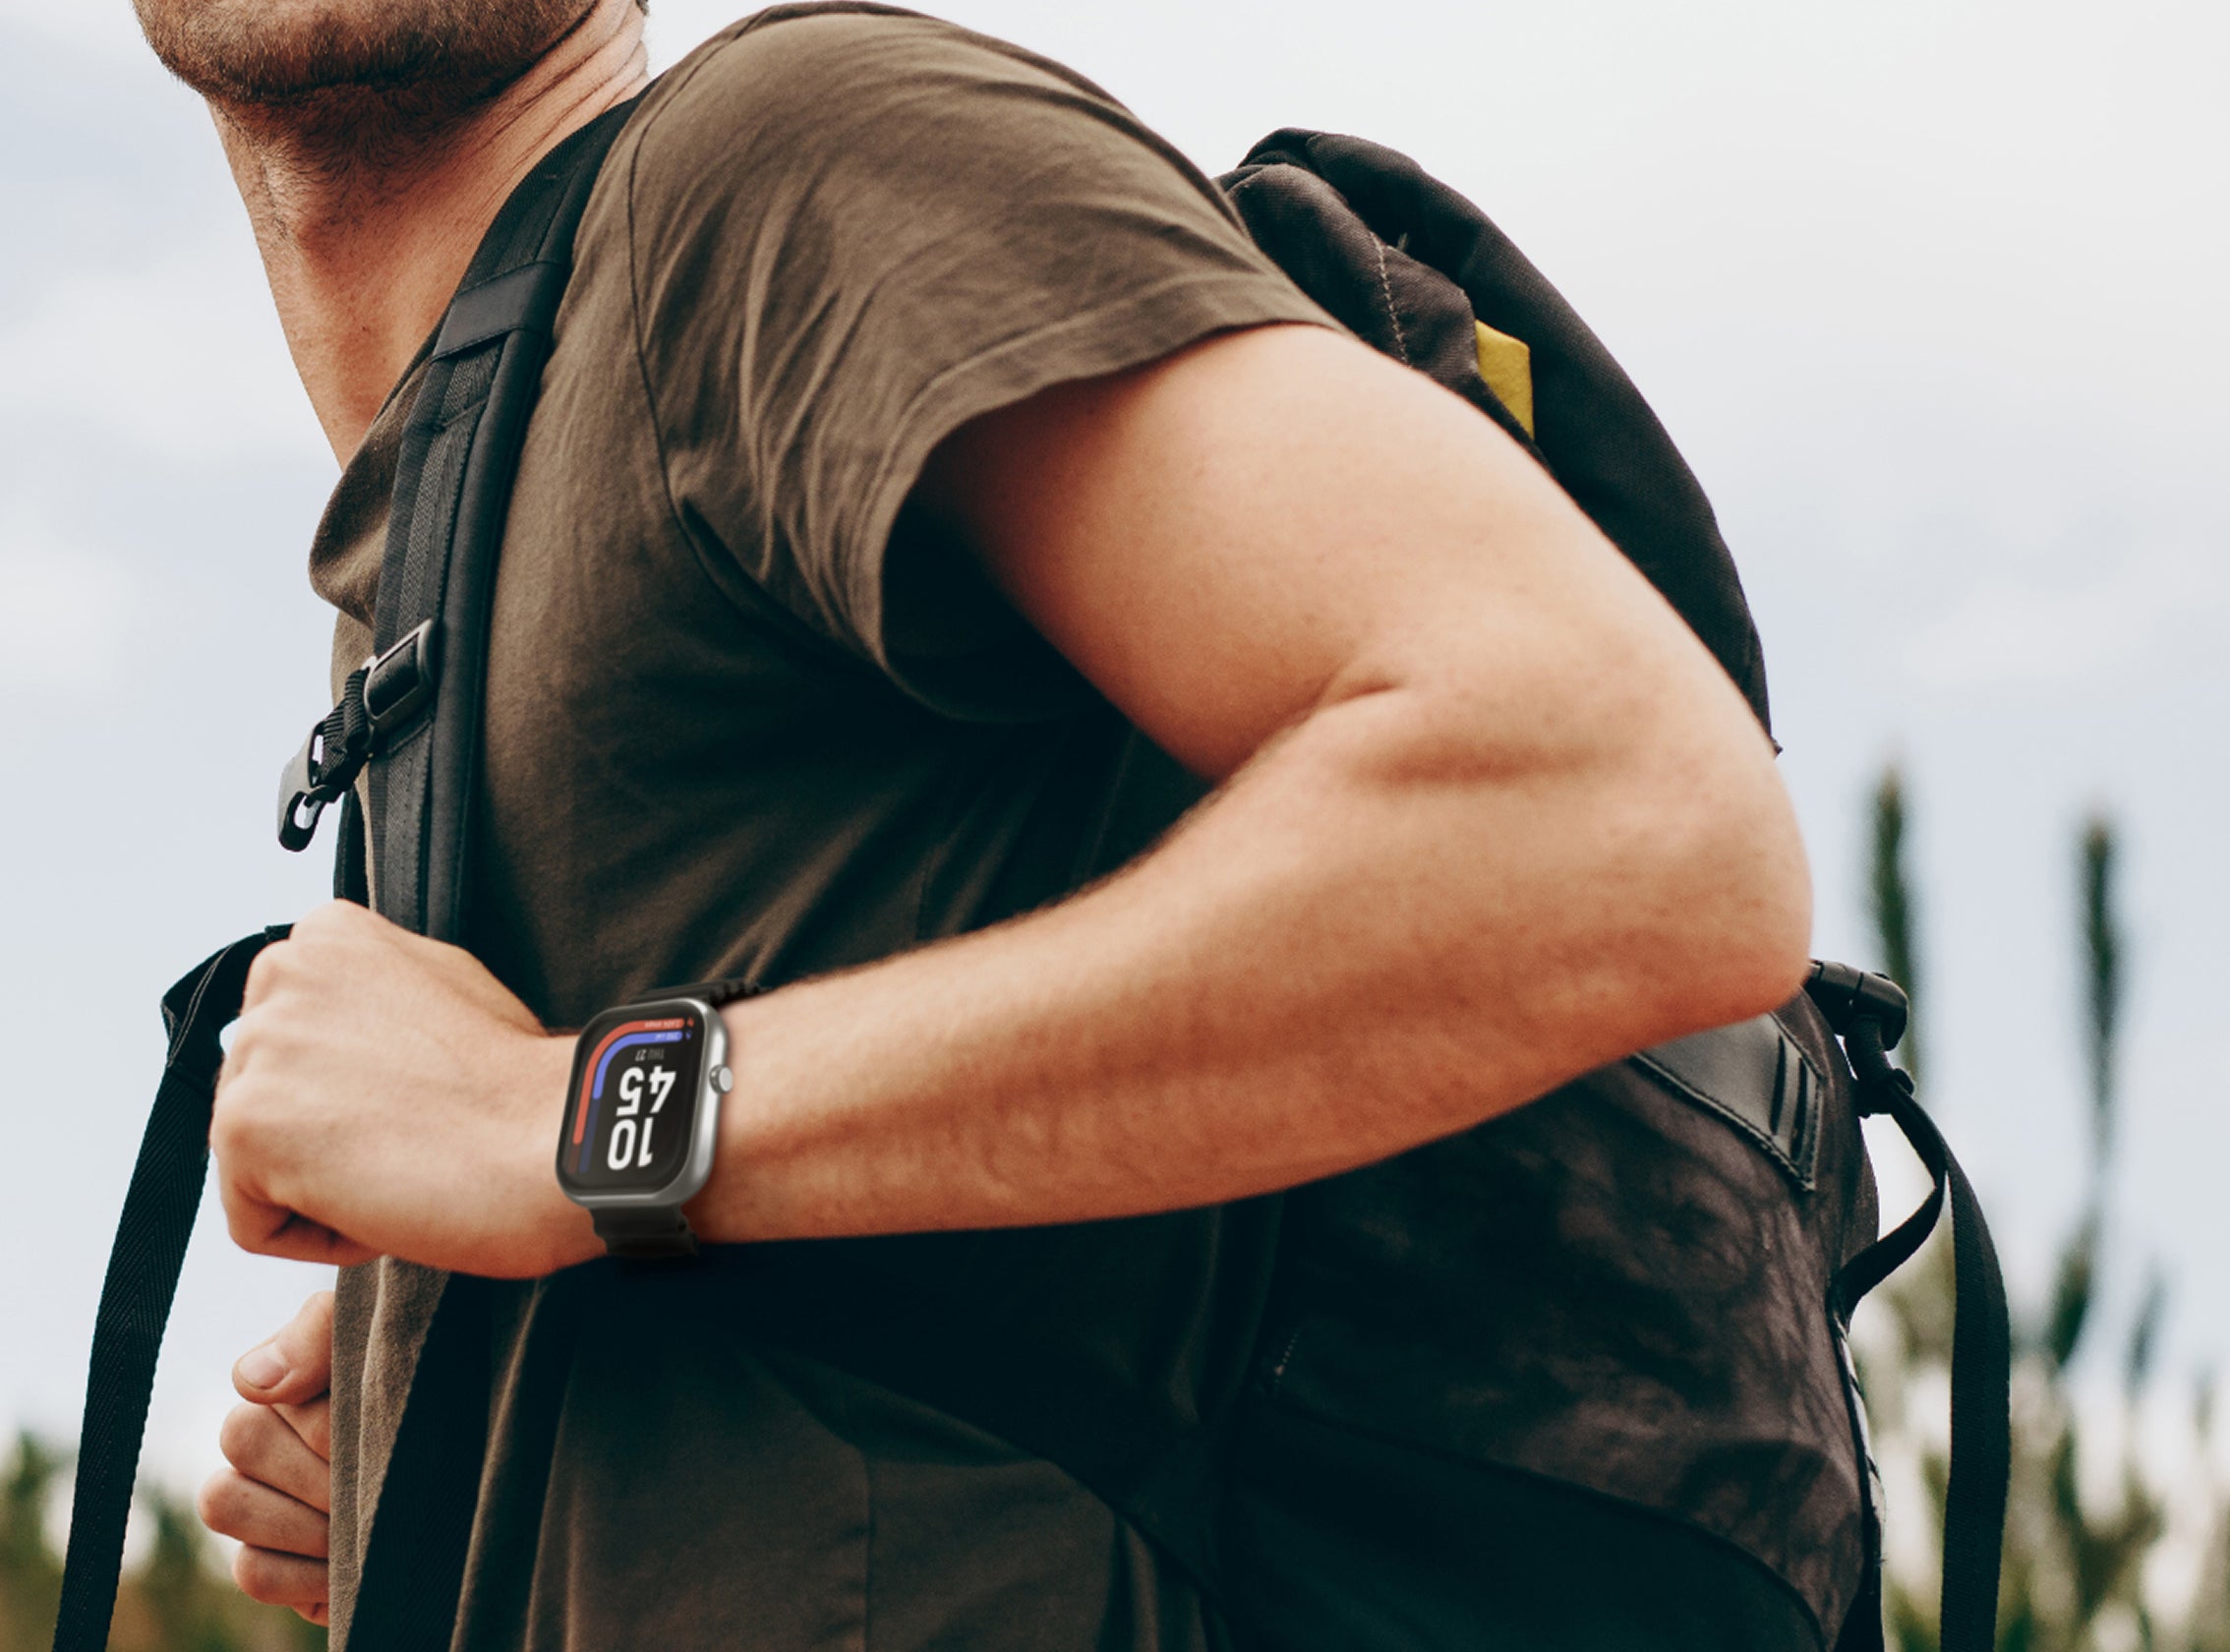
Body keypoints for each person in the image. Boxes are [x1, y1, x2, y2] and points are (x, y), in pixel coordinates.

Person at [147, 0, 1812, 1643]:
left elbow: (1628, 822)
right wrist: (494, 1436)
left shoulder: (776, 171)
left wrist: (574, 1127)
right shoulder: (440, 553)